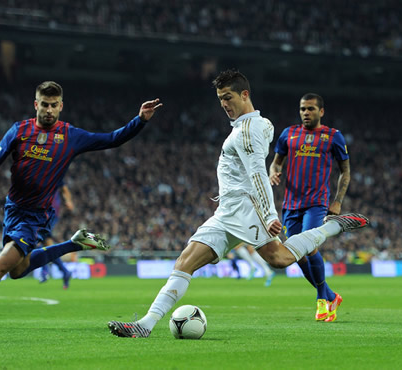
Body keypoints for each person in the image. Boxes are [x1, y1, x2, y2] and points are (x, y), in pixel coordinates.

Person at [108, 69, 368, 338]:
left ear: (245, 94)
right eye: (220, 98)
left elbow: (258, 173)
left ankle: (332, 227)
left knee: (279, 259)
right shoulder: (255, 126)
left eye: (228, 97)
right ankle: (146, 325)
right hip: (226, 211)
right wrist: (263, 127)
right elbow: (266, 131)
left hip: (247, 208)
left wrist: (268, 214)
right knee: (184, 262)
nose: (224, 104)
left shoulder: (246, 131)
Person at [0, 81, 162, 329]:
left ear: (61, 107)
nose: (49, 110)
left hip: (37, 217)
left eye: (54, 105)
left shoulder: (71, 136)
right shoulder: (18, 131)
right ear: (36, 104)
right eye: (44, 105)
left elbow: (112, 139)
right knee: (17, 271)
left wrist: (140, 120)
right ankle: (75, 243)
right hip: (12, 210)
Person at [269, 93, 350, 322]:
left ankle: (322, 300)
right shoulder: (289, 134)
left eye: (311, 109)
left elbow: (345, 170)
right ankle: (331, 295)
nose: (306, 113)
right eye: (303, 109)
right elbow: (276, 161)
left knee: (310, 246)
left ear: (321, 111)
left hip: (316, 203)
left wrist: (338, 201)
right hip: (290, 205)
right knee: (296, 253)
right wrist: (273, 172)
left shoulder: (333, 137)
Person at [39, 183, 74, 289]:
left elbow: (64, 188)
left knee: (36, 238)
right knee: (45, 243)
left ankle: (45, 270)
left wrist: (68, 200)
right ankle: (64, 271)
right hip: (42, 211)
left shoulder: (53, 170)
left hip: (49, 211)